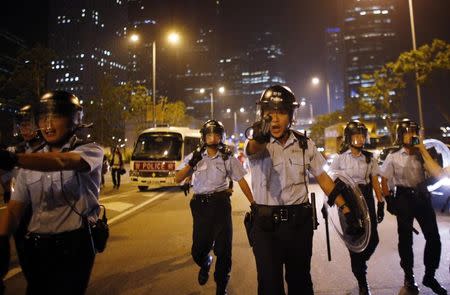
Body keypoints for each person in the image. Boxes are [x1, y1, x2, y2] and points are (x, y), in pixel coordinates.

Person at [245, 85, 364, 295]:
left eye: (281, 112)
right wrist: (259, 136)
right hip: (265, 228)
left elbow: (324, 179)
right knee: (270, 286)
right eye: (269, 113)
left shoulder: (304, 144)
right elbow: (252, 148)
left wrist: (347, 210)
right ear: (262, 114)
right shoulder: (258, 144)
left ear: (291, 116)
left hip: (298, 225)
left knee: (301, 284)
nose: (275, 119)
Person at [0, 90, 103, 294]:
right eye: (43, 118)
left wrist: (13, 159)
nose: (47, 125)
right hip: (35, 247)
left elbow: (61, 161)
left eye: (55, 116)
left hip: (74, 246)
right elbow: (13, 210)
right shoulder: (31, 158)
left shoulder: (90, 150)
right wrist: (2, 239)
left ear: (73, 119)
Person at [175, 119, 254, 295]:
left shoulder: (227, 158)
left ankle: (221, 287)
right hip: (201, 207)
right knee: (197, 251)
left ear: (221, 137)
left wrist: (254, 203)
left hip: (221, 206)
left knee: (224, 251)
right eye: (209, 134)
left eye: (216, 134)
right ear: (203, 137)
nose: (212, 138)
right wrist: (191, 163)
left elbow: (241, 180)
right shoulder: (195, 157)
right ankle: (205, 263)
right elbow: (177, 179)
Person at [380, 118, 447, 295]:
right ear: (400, 135)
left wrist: (423, 149)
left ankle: (430, 276)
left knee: (433, 237)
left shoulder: (423, 154)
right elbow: (384, 180)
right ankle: (409, 277)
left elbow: (438, 174)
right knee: (405, 240)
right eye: (408, 132)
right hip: (403, 198)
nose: (412, 136)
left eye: (414, 132)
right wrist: (389, 200)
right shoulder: (393, 156)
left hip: (422, 197)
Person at [329, 120, 384, 295]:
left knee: (373, 238)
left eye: (362, 135)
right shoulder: (340, 158)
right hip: (348, 201)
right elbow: (331, 181)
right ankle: (362, 282)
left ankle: (360, 263)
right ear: (348, 138)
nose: (360, 139)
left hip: (366, 199)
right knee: (354, 240)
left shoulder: (370, 158)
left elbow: (375, 181)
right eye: (356, 136)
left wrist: (381, 202)